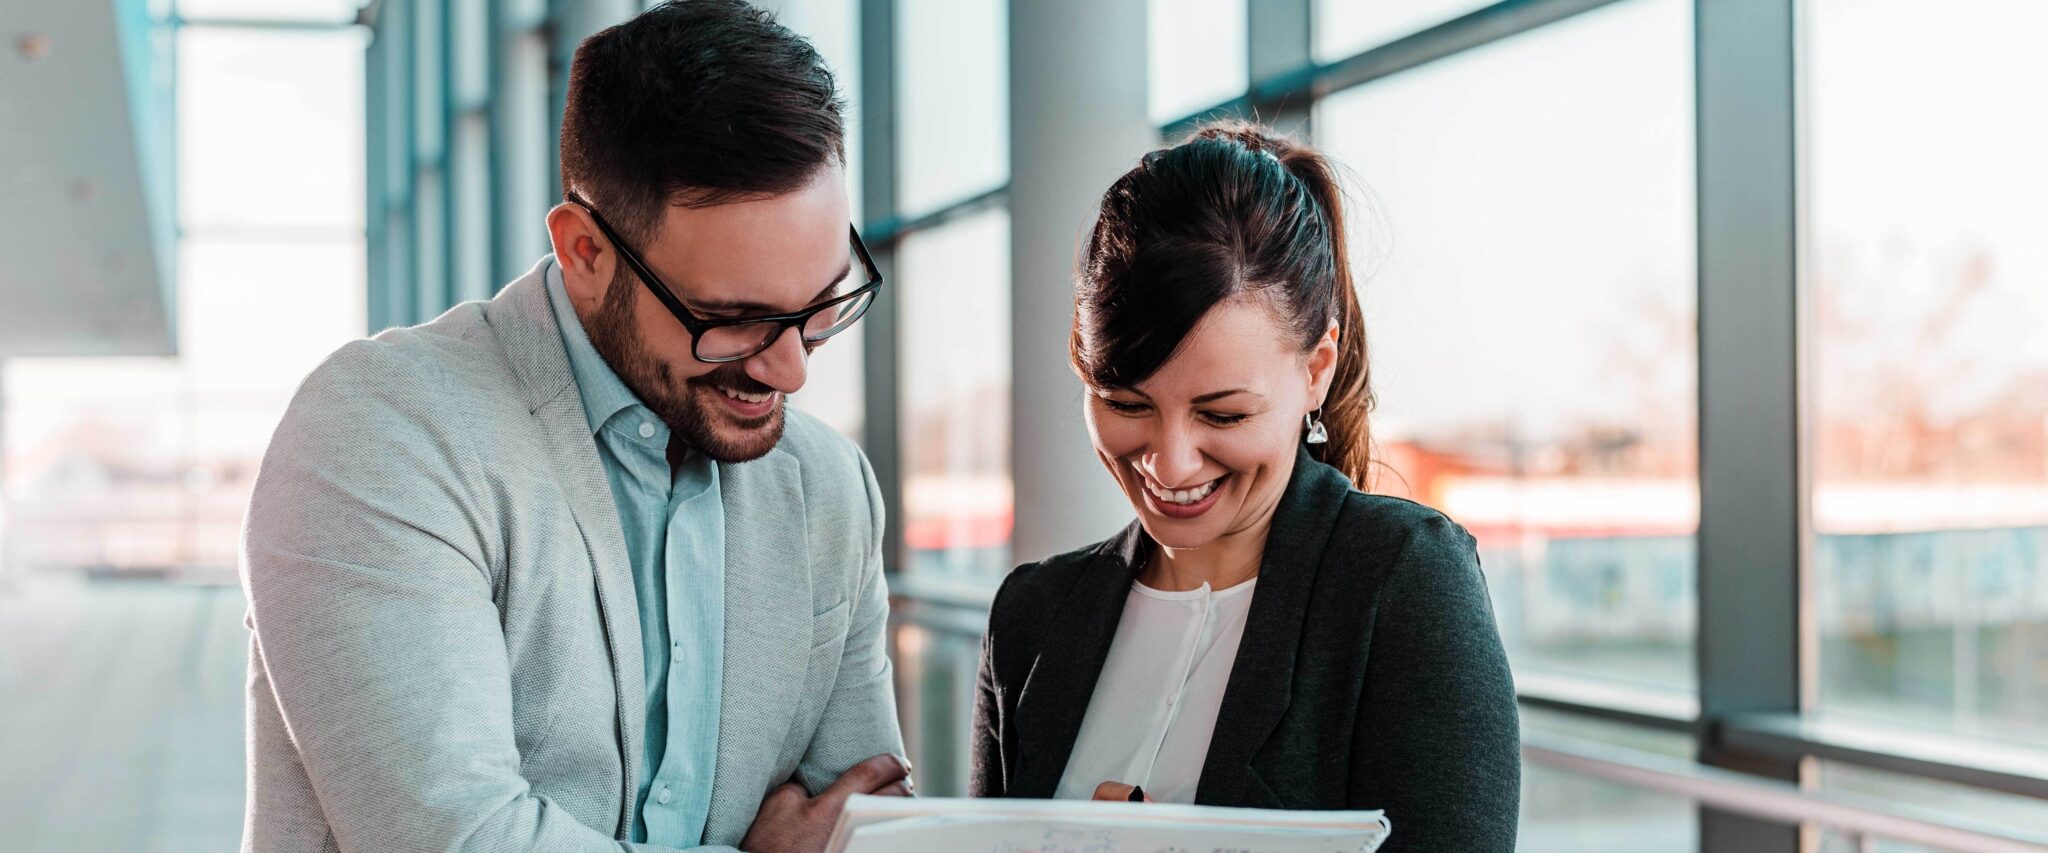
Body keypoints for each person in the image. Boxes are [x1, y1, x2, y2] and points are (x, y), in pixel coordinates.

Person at [239, 3, 906, 851]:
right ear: (585, 252)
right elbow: (459, 838)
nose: (792, 369)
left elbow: (864, 821)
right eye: (732, 319)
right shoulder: (381, 432)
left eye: (820, 306)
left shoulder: (827, 483)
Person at [968, 122, 1520, 850]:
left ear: (1316, 368)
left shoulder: (1402, 585)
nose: (1170, 463)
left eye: (1222, 413)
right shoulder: (1030, 619)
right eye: (1127, 403)